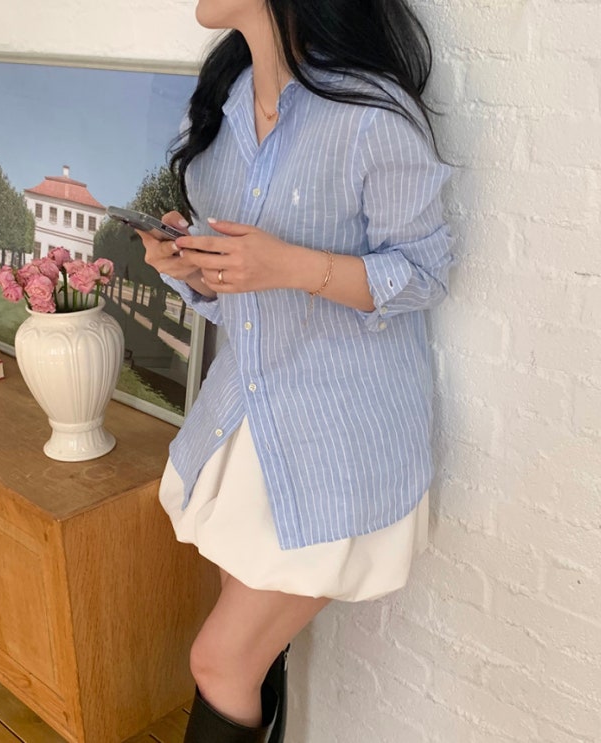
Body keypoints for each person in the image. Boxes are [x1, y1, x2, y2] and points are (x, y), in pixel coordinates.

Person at [137, 0, 453, 740]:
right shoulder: (219, 107)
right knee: (247, 659)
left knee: (219, 661)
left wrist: (290, 266)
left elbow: (425, 274)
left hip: (336, 439)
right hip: (243, 424)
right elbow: (237, 295)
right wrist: (191, 267)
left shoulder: (372, 115)